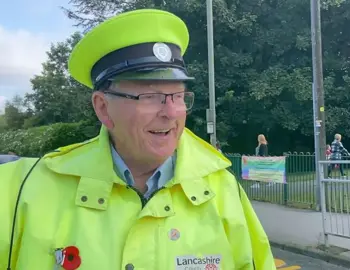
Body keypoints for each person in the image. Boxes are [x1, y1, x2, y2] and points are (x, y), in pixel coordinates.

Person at [0, 9, 275, 270]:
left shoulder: (223, 189)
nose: (170, 113)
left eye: (177, 96)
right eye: (151, 97)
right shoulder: (19, 191)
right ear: (103, 108)